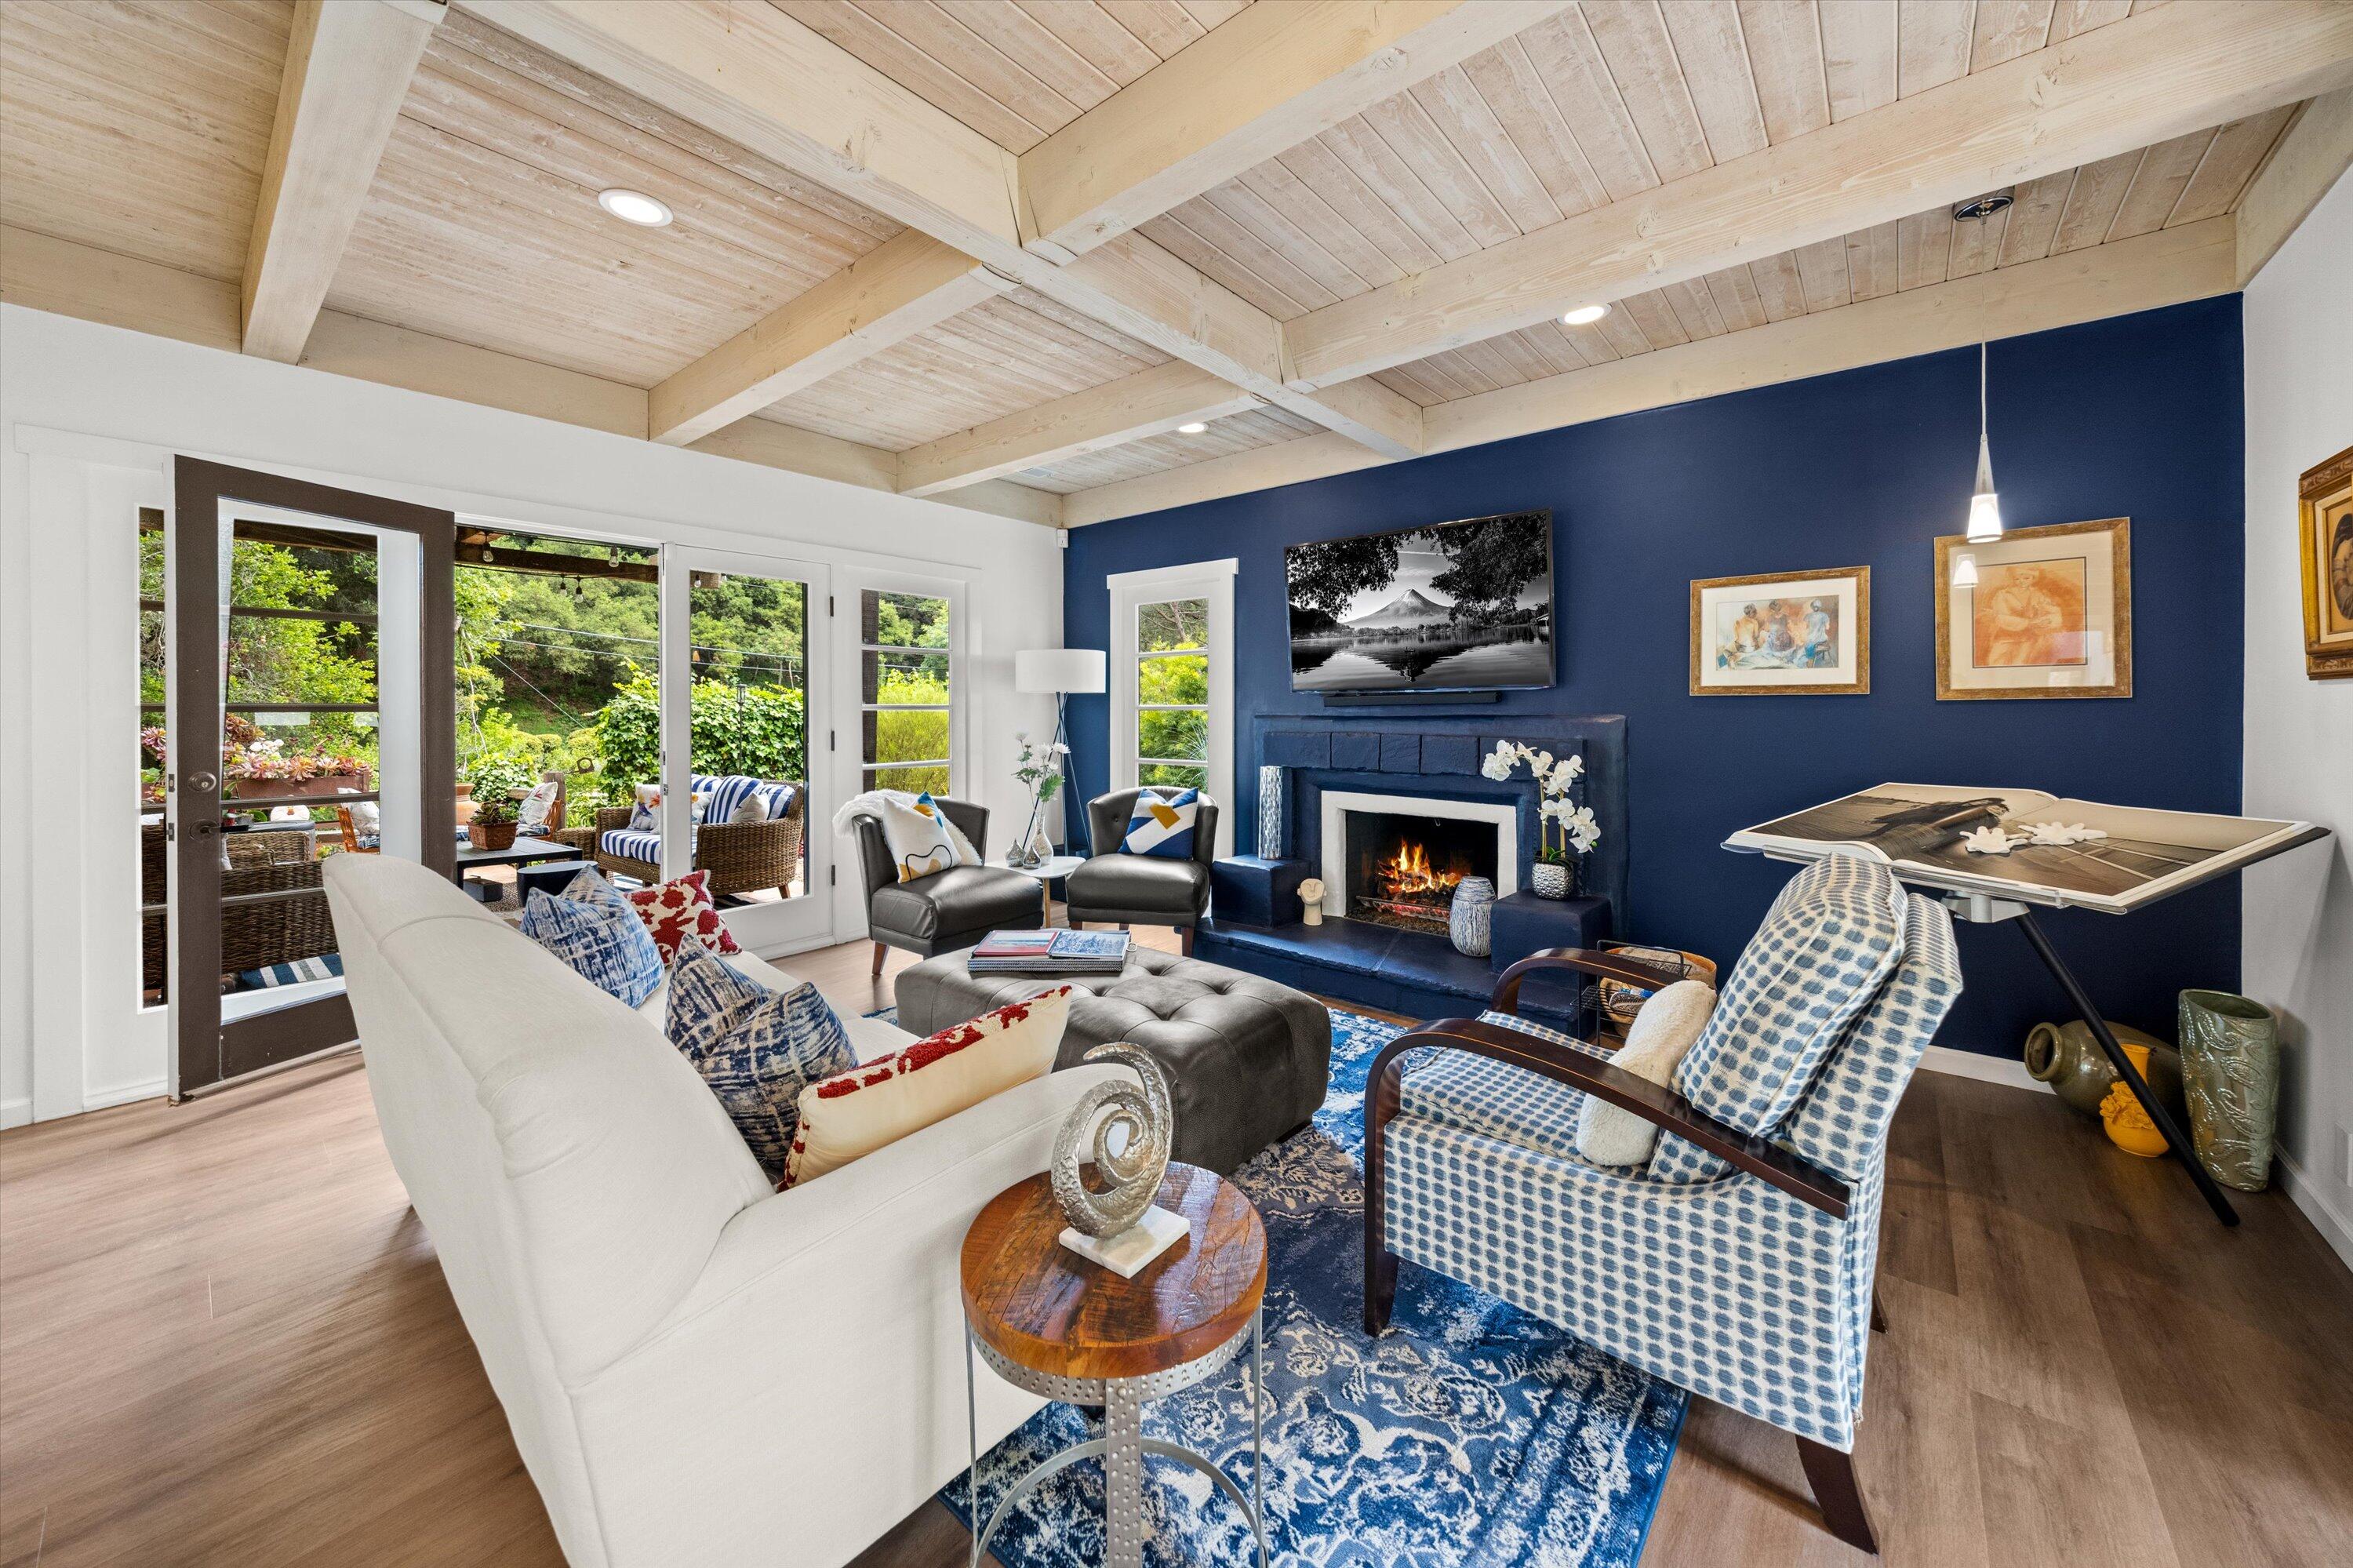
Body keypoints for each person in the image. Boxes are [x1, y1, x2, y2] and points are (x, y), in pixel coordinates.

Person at [1979, 563, 2072, 666]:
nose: (2021, 581)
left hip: (2028, 637)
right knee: (1996, 661)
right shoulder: (2003, 594)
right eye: (2017, 579)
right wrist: (2028, 623)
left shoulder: (2037, 594)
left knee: (2021, 662)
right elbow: (2001, 617)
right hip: (2005, 635)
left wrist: (2047, 620)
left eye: (2026, 578)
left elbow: (2052, 611)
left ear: (2033, 579)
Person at [1802, 598, 1834, 666]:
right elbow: (1827, 628)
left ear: (1812, 607)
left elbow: (1806, 627)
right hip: (1822, 639)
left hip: (1812, 638)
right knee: (1809, 644)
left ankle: (1810, 662)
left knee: (1807, 644)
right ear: (1820, 607)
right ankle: (1812, 660)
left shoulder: (1808, 615)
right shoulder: (1824, 615)